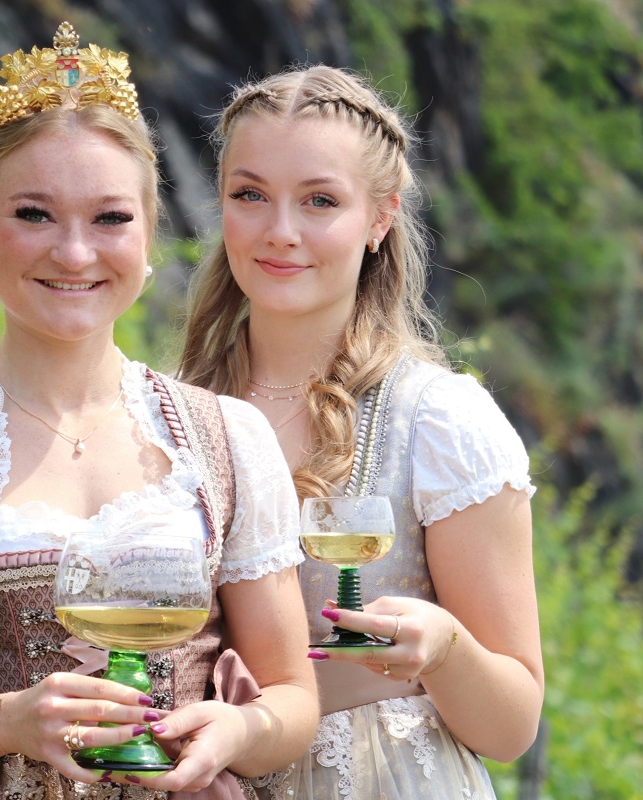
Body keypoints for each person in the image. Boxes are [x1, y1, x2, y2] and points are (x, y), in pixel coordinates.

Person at [0, 22, 319, 800]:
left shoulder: (227, 438)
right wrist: (10, 721)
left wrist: (239, 729)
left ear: (150, 233)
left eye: (110, 218)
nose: (75, 253)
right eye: (34, 215)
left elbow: (293, 698)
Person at [177, 65, 544, 797]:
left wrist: (443, 650)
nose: (280, 232)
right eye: (250, 196)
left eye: (320, 201)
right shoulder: (172, 415)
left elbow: (512, 727)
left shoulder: (440, 421)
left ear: (379, 217)